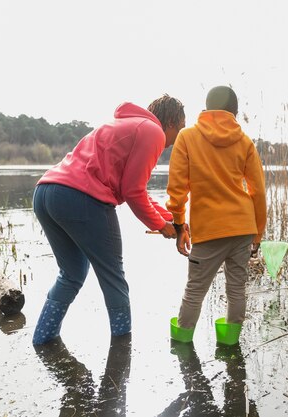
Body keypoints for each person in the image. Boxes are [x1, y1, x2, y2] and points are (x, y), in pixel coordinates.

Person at [32, 95, 185, 346]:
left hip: (46, 192)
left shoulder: (128, 124)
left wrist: (170, 219)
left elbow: (136, 189)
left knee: (71, 274)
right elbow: (132, 192)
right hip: (82, 197)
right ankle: (122, 352)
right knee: (114, 278)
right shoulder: (153, 131)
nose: (176, 139)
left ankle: (43, 342)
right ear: (171, 121)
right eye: (179, 129)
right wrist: (161, 226)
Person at [166, 86, 266, 345]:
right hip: (243, 227)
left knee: (195, 291)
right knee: (236, 290)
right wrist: (258, 232)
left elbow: (177, 190)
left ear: (207, 108)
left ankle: (182, 345)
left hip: (209, 230)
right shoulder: (244, 141)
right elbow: (258, 192)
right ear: (234, 112)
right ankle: (230, 344)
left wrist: (179, 226)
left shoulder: (187, 137)